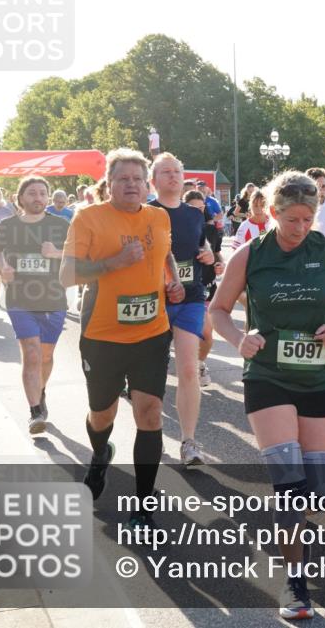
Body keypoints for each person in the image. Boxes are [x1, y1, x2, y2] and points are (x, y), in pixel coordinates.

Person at [209, 170, 325, 619]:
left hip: (317, 377)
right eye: (292, 218)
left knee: (318, 490)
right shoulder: (250, 254)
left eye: (308, 217)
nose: (301, 226)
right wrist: (239, 340)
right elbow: (218, 310)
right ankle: (295, 585)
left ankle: (297, 542)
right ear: (272, 213)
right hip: (268, 375)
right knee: (290, 487)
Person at [60, 148, 184, 533]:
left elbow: (165, 254)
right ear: (108, 184)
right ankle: (100, 454)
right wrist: (114, 262)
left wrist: (173, 279)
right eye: (122, 179)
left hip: (151, 334)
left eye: (137, 179)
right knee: (103, 414)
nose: (131, 185)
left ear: (146, 184)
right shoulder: (89, 218)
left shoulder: (159, 216)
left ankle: (143, 506)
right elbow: (66, 276)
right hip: (102, 337)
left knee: (148, 413)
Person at [0, 177, 69, 434]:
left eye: (42, 193)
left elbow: (79, 253)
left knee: (45, 355)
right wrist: (3, 267)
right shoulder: (8, 224)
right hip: (19, 297)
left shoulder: (60, 224)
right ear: (20, 198)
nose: (38, 198)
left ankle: (40, 391)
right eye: (32, 193)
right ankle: (35, 411)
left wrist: (56, 253)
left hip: (53, 297)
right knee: (32, 353)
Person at [149, 153, 216, 466]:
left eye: (177, 171)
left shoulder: (193, 214)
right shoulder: (145, 212)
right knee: (153, 374)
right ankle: (152, 433)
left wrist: (208, 255)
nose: (173, 176)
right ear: (154, 180)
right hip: (153, 302)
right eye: (165, 172)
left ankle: (189, 442)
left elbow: (203, 247)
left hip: (189, 297)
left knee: (188, 368)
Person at [184, 190, 224, 388]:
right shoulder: (173, 228)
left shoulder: (211, 231)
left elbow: (217, 254)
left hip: (205, 289)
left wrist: (219, 264)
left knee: (207, 335)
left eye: (202, 208)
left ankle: (199, 363)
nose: (199, 213)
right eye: (193, 209)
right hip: (176, 292)